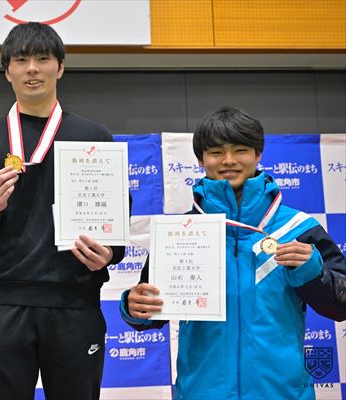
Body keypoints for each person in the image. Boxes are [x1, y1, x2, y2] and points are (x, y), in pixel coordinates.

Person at [120, 106, 346, 400]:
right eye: (216, 152)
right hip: (202, 392)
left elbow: (340, 306)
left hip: (281, 392)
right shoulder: (182, 233)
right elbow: (149, 311)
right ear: (201, 160)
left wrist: (313, 271)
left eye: (240, 150)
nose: (228, 160)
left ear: (258, 154)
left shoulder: (298, 228)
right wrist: (134, 307)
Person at [0, 22, 127, 400]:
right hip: (2, 301)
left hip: (75, 303)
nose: (32, 68)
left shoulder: (94, 137)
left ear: (60, 67)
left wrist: (110, 254)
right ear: (8, 72)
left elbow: (117, 222)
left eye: (42, 59)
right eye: (21, 60)